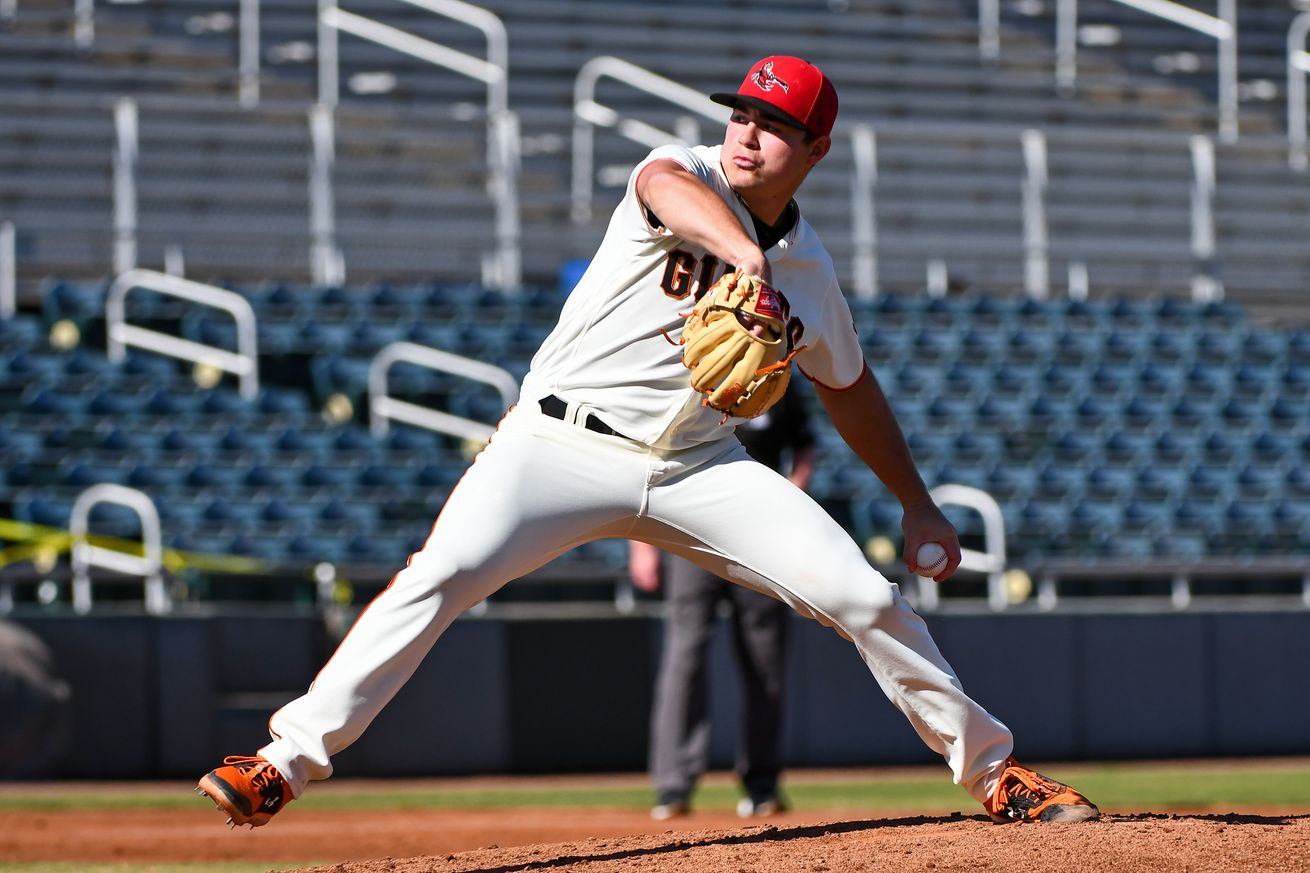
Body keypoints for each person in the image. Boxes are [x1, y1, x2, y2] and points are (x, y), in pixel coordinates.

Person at [197, 55, 1099, 829]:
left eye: (774, 124)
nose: (746, 134)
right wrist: (746, 261)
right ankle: (283, 761)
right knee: (437, 577)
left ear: (815, 151)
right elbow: (661, 190)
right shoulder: (682, 170)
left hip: (698, 465)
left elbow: (852, 390)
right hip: (557, 442)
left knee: (862, 595)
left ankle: (993, 771)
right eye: (742, 113)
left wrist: (916, 502)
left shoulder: (811, 272)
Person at [632, 385, 815, 821]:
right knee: (684, 655)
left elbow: (804, 446)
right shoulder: (689, 375)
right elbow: (646, 455)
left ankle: (762, 786)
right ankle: (673, 786)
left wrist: (791, 497)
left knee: (765, 659)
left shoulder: (778, 377)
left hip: (762, 535)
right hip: (690, 530)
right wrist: (641, 542)